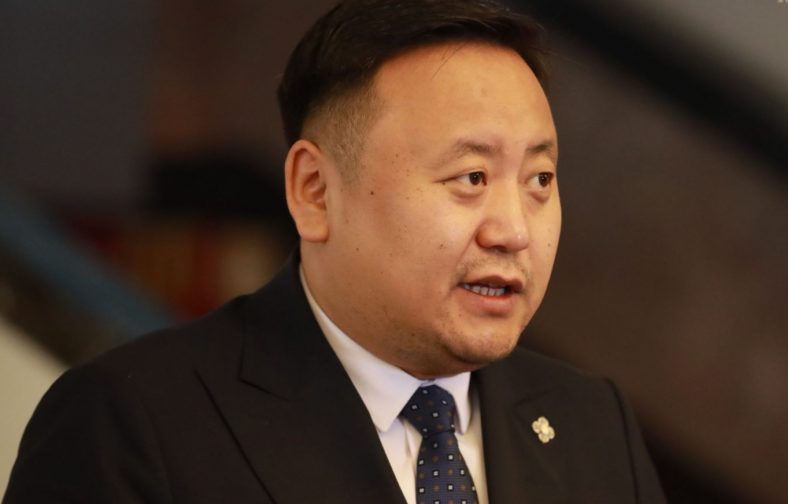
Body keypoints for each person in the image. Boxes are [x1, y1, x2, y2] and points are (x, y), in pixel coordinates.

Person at [4, 1, 666, 502]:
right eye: (471, 177)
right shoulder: (132, 423)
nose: (513, 230)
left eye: (539, 181)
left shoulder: (591, 423)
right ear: (315, 191)